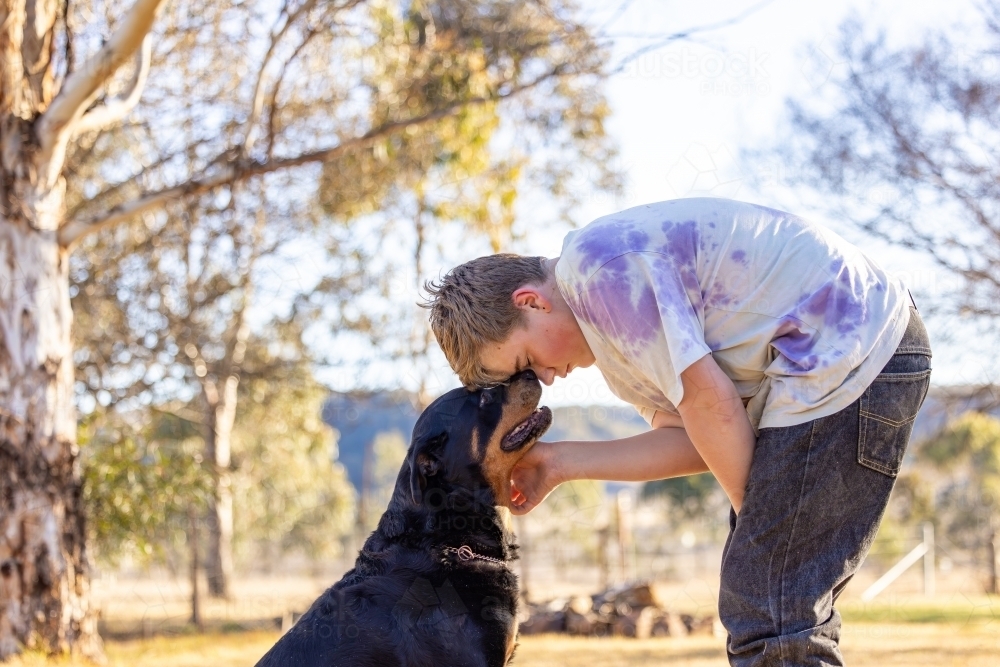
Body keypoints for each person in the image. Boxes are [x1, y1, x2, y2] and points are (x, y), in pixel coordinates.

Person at [422, 197, 931, 666]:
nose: (546, 380)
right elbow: (694, 438)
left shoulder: (598, 270)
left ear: (531, 302)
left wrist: (759, 534)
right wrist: (558, 464)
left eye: (529, 362)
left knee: (769, 605)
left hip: (852, 346)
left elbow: (713, 406)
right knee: (771, 603)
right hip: (840, 366)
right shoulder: (619, 354)